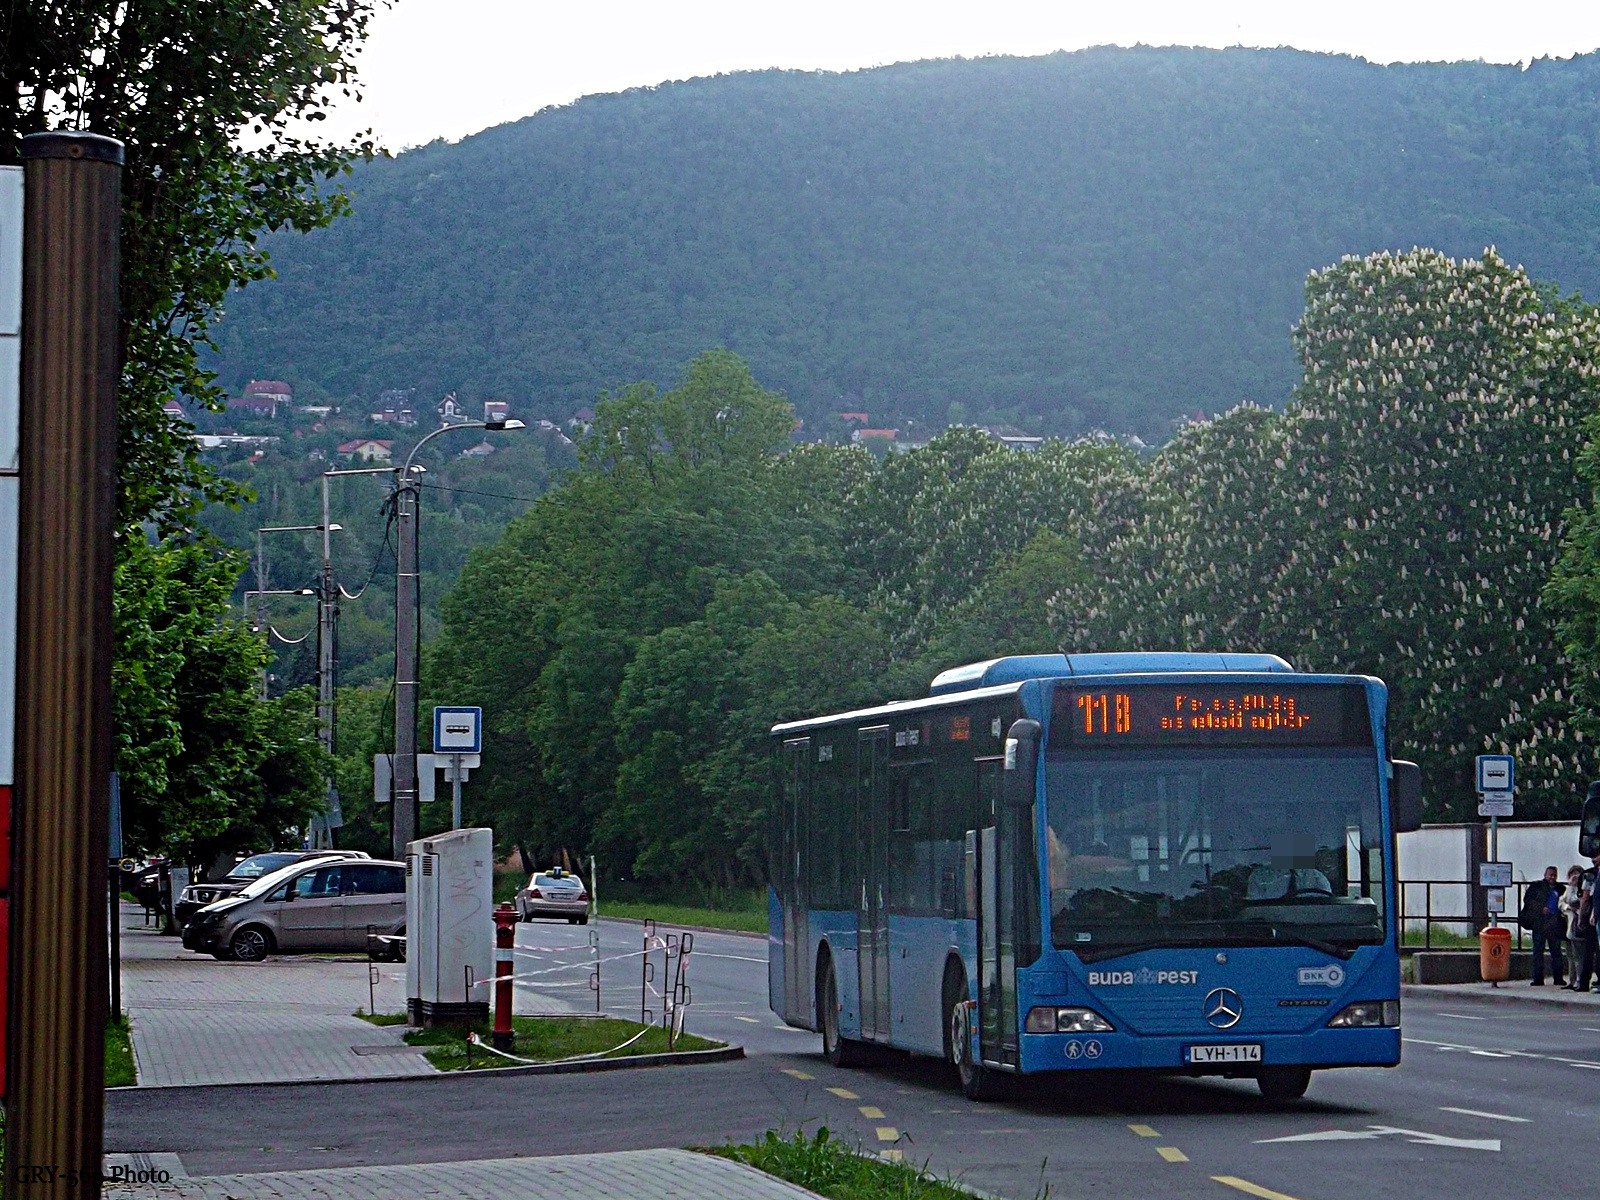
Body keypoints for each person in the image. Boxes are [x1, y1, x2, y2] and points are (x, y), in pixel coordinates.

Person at [1520, 865, 1566, 986]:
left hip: (1554, 924)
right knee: (1537, 951)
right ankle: (1538, 978)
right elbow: (1529, 901)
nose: (1552, 877)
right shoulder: (1536, 887)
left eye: (1554, 875)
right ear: (1545, 875)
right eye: (1550, 875)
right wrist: (1541, 908)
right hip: (1539, 922)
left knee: (1556, 952)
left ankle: (1558, 978)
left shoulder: (1560, 888)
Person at [1562, 866, 1587, 990]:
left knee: (1579, 956)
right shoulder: (1568, 889)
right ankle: (1571, 980)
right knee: (1570, 956)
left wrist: (1572, 887)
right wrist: (1567, 908)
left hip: (1578, 926)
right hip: (1569, 927)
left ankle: (1579, 980)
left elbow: (1573, 900)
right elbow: (1562, 902)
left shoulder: (1583, 888)